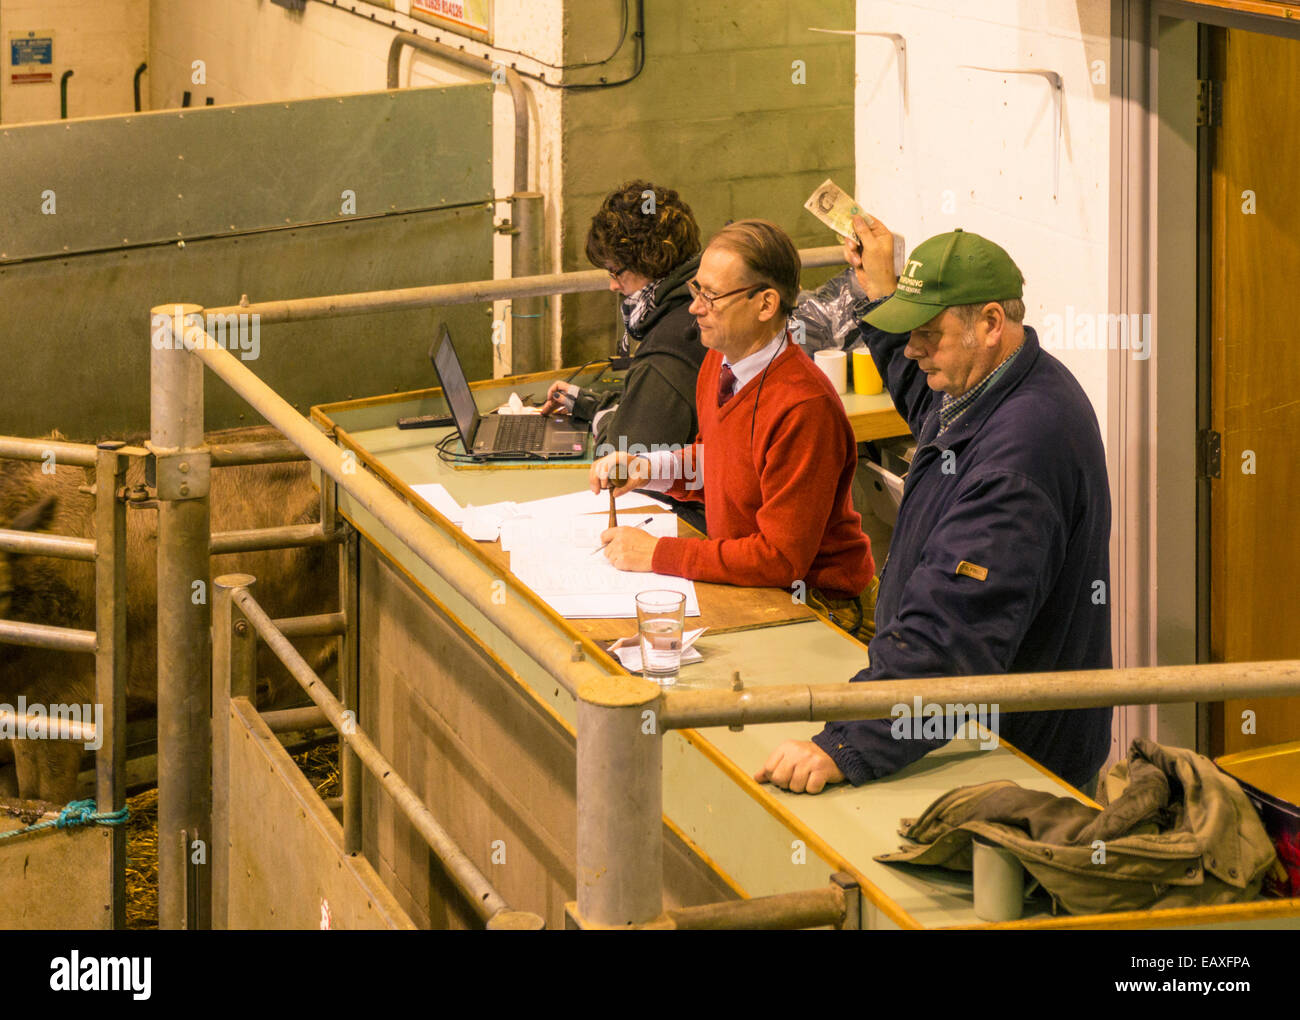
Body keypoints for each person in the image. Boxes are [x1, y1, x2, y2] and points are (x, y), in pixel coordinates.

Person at [756, 215, 1113, 795]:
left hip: (1020, 769)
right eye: (909, 330)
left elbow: (952, 632)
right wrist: (881, 292)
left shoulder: (1021, 453)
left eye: (928, 331)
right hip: (980, 735)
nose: (915, 349)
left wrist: (847, 743)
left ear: (991, 322)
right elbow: (923, 386)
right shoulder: (989, 386)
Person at [590, 219, 875, 636]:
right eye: (696, 290)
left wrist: (657, 554)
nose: (695, 307)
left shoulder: (803, 408)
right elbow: (723, 460)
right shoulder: (719, 361)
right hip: (756, 586)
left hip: (816, 606)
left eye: (712, 296)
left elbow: (780, 559)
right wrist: (650, 469)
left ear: (765, 304)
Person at [541, 181, 706, 461]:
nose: (613, 286)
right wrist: (588, 404)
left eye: (615, 271)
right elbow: (649, 412)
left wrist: (603, 419)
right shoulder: (693, 305)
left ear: (650, 261)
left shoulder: (666, 352)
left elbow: (622, 460)